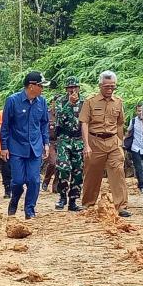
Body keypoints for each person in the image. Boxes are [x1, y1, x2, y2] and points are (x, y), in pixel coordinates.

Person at [80, 70, 131, 217]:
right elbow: (84, 123)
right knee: (92, 173)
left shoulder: (118, 102)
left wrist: (120, 143)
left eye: (112, 87)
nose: (109, 89)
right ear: (100, 86)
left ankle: (121, 206)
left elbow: (120, 124)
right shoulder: (90, 101)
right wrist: (86, 145)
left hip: (113, 141)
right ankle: (88, 204)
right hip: (94, 141)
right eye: (106, 86)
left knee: (118, 172)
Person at [0, 71, 50, 219]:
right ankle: (14, 200)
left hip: (35, 147)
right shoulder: (13, 101)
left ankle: (30, 210)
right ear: (31, 86)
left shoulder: (42, 102)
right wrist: (4, 146)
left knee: (34, 180)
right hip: (16, 147)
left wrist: (46, 143)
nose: (42, 89)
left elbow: (44, 124)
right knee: (18, 181)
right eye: (41, 86)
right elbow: (5, 125)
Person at [54, 77, 84, 212]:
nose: (72, 90)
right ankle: (62, 196)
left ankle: (73, 200)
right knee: (64, 168)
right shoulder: (60, 101)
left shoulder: (84, 102)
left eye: (75, 87)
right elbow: (59, 118)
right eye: (70, 88)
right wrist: (70, 104)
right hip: (64, 139)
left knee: (78, 171)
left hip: (78, 139)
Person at [127, 103, 143, 194]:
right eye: (138, 110)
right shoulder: (133, 121)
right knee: (138, 167)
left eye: (142, 110)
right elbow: (129, 131)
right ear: (136, 111)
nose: (140, 112)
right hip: (135, 147)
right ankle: (141, 186)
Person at [0, 109, 12, 198]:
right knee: (6, 168)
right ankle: (7, 189)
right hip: (4, 144)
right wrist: (7, 126)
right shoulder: (1, 113)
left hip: (20, 145)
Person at [42, 97, 58, 193]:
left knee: (61, 164)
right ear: (52, 103)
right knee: (53, 162)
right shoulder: (47, 114)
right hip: (49, 141)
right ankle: (46, 181)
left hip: (61, 141)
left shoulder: (63, 113)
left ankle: (56, 186)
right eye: (55, 102)